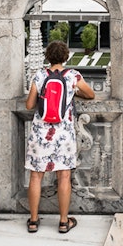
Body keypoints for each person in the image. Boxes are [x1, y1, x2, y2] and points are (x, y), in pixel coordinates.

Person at [24, 40, 95, 234]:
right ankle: (64, 221)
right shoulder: (73, 76)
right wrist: (73, 94)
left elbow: (29, 105)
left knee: (36, 176)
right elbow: (91, 94)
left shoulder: (39, 75)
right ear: (66, 57)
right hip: (63, 133)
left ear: (47, 56)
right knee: (64, 175)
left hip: (40, 132)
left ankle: (33, 220)